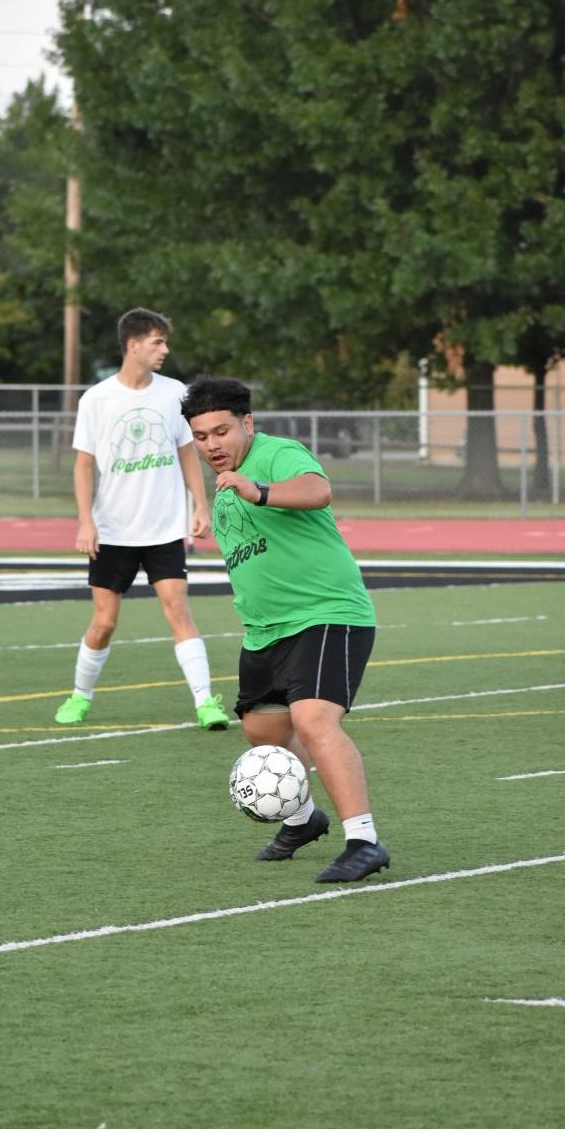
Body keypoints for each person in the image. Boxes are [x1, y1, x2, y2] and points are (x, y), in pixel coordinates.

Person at [181, 375, 390, 884]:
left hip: (326, 613)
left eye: (221, 432)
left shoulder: (276, 454)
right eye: (202, 436)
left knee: (315, 720)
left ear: (247, 424)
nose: (212, 445)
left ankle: (364, 841)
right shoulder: (223, 483)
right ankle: (302, 819)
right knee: (263, 731)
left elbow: (319, 490)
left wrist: (261, 490)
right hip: (264, 631)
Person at [54, 308, 229, 731]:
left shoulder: (174, 394)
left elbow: (187, 451)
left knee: (178, 611)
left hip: (165, 528)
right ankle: (80, 695)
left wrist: (200, 506)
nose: (165, 350)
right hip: (113, 531)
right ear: (133, 346)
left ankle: (206, 702)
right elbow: (83, 466)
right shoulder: (97, 399)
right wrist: (85, 521)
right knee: (104, 623)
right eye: (157, 342)